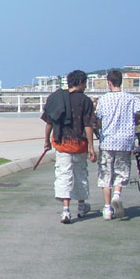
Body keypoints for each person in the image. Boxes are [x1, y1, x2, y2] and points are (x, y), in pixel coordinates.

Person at [94, 69, 140, 220]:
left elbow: (97, 120)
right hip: (125, 142)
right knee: (121, 170)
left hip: (107, 141)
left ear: (109, 83)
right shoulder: (130, 98)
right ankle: (117, 195)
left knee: (106, 173)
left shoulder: (103, 100)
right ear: (121, 82)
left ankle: (107, 209)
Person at [41, 69, 96, 224]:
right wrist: (91, 147)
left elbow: (49, 123)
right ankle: (81, 206)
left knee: (64, 175)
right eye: (85, 83)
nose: (85, 86)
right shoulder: (86, 101)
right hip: (79, 145)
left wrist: (46, 141)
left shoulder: (57, 98)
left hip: (62, 144)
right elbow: (88, 125)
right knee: (80, 176)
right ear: (80, 82)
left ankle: (66, 210)